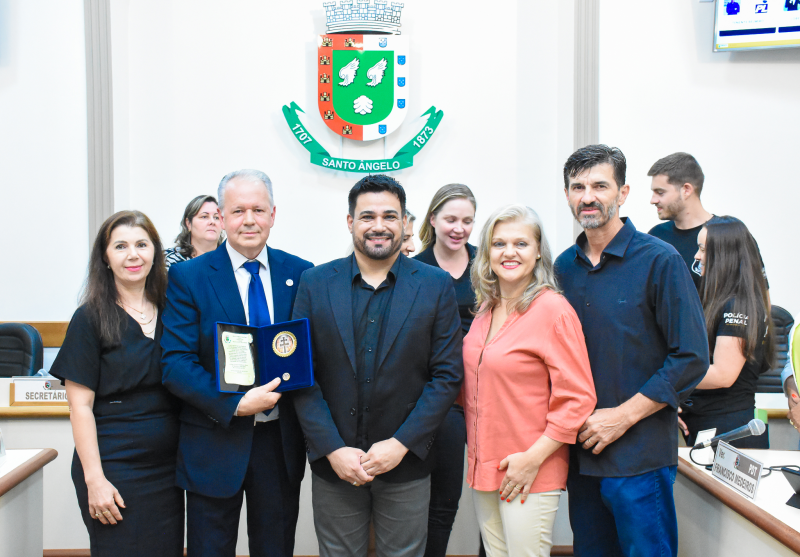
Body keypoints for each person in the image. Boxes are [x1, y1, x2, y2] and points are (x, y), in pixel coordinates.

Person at [292, 174, 464, 557]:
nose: (379, 225)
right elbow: (302, 377)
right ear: (350, 222)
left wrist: (402, 444)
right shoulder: (314, 283)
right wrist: (333, 449)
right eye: (367, 216)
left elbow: (447, 375)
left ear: (405, 223)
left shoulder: (435, 286)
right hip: (335, 465)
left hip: (406, 463)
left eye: (390, 215)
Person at [554, 145, 709, 557]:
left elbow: (691, 356)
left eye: (600, 185)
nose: (588, 196)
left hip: (639, 458)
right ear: (568, 194)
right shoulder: (561, 268)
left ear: (622, 193)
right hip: (580, 457)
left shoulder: (660, 261)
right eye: (577, 186)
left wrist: (622, 417)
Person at [160, 169, 313, 557]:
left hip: (279, 443)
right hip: (214, 439)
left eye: (258, 210)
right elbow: (176, 363)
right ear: (222, 217)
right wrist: (234, 404)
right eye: (238, 210)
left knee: (276, 548)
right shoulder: (187, 277)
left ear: (273, 215)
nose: (249, 220)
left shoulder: (302, 273)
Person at [464, 204, 597, 557]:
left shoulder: (552, 310)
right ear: (486, 252)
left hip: (530, 468)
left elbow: (578, 398)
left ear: (538, 251)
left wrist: (532, 459)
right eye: (499, 243)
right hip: (484, 464)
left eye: (521, 244)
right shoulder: (486, 309)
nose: (509, 252)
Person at [50, 210, 183, 556]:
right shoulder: (90, 316)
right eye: (120, 246)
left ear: (155, 252)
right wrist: (95, 480)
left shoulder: (174, 309)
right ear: (106, 258)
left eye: (142, 244)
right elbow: (79, 407)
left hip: (168, 472)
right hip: (113, 467)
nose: (133, 254)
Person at [413, 183, 476, 557]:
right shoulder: (414, 269)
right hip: (439, 401)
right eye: (451, 219)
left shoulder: (488, 263)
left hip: (486, 395)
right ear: (433, 218)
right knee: (441, 502)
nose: (459, 228)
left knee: (497, 495)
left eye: (467, 220)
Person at [678, 216, 774, 448]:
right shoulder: (718, 300)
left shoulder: (738, 305)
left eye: (702, 249)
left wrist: (667, 379)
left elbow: (723, 374)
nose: (696, 256)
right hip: (708, 423)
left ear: (724, 255)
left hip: (730, 430)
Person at [647, 153, 713, 288]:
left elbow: (758, 298)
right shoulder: (656, 236)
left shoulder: (725, 235)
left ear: (686, 190)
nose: (653, 200)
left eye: (660, 192)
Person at [164, 194, 223, 267]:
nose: (212, 222)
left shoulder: (230, 261)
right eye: (204, 217)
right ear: (188, 223)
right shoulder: (169, 260)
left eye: (216, 217)